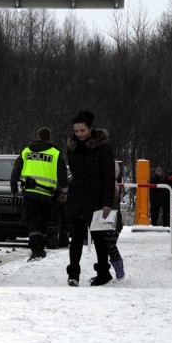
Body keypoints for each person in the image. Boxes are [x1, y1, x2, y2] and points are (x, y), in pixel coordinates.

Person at [64, 111, 117, 286]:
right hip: (78, 197)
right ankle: (73, 274)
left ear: (91, 129)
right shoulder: (72, 147)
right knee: (76, 238)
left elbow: (109, 176)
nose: (79, 134)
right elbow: (75, 174)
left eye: (83, 130)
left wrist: (107, 202)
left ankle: (103, 272)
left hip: (97, 198)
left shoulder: (103, 148)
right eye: (76, 131)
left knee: (99, 237)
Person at [10, 127, 68, 261]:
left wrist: (13, 187)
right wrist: (64, 191)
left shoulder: (26, 151)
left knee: (32, 221)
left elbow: (16, 170)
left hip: (29, 192)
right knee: (44, 221)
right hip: (47, 194)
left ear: (38, 136)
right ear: (49, 138)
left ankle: (36, 249)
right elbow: (62, 174)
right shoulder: (55, 153)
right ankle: (40, 248)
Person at [102, 159, 126, 280]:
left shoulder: (112, 185)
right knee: (105, 245)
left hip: (113, 219)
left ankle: (119, 269)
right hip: (105, 218)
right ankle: (106, 272)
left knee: (110, 245)